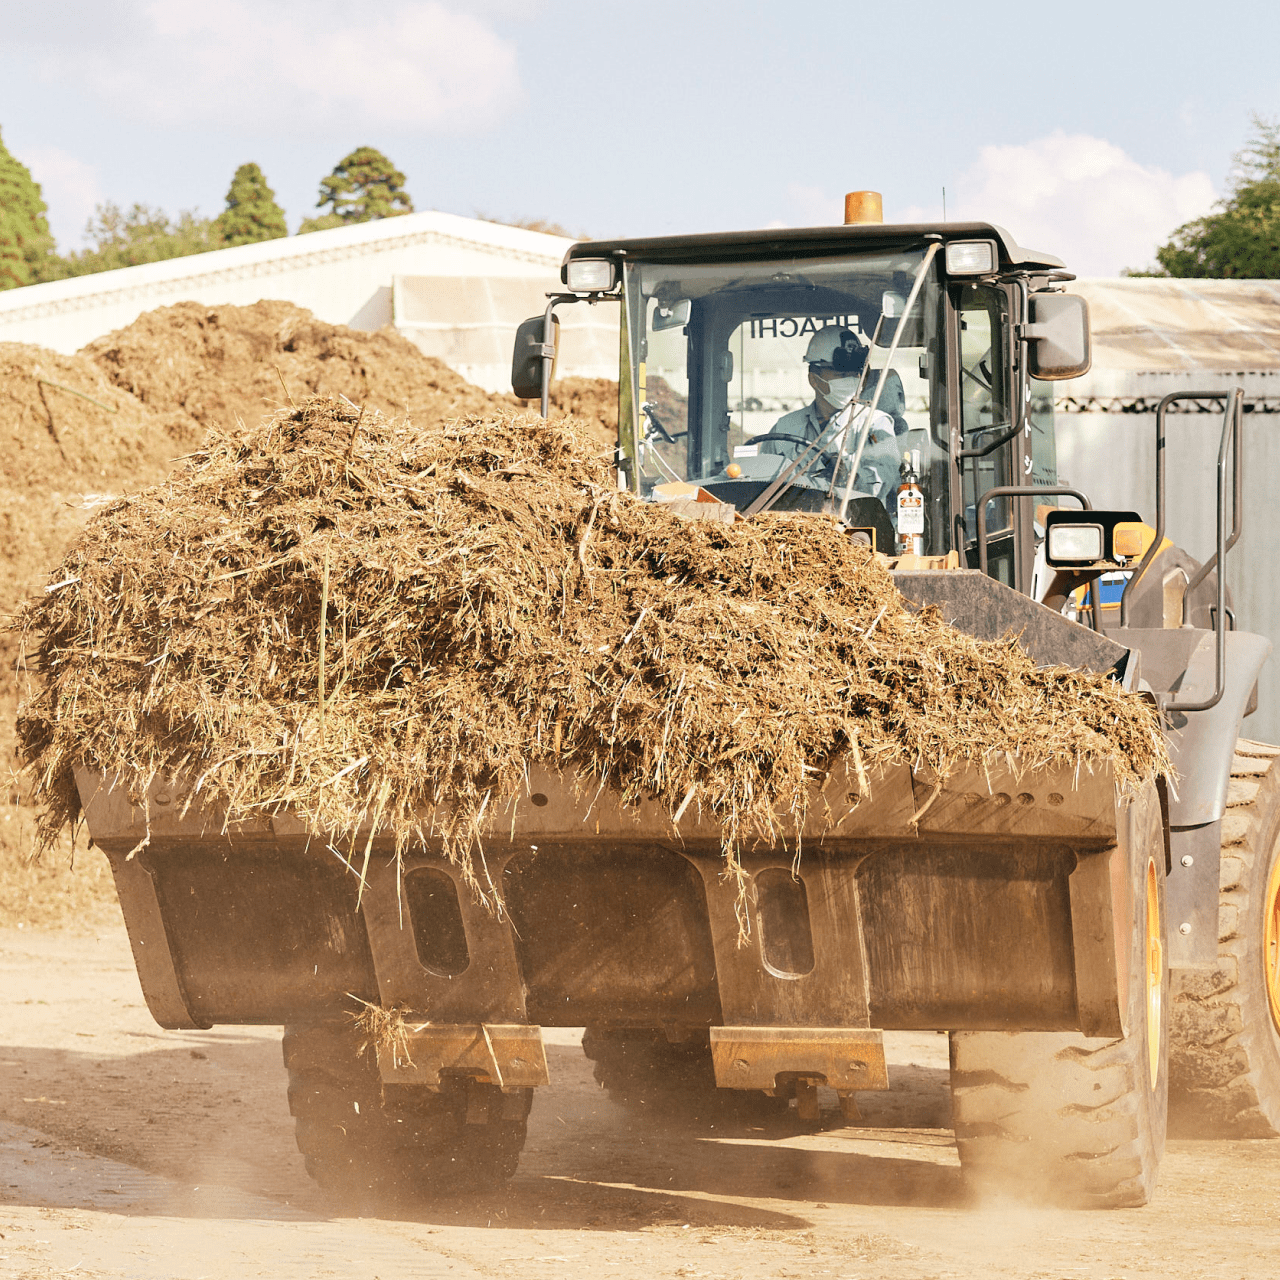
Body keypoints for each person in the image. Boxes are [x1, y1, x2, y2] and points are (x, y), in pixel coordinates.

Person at [760, 325, 900, 503]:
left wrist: (849, 476)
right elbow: (761, 484)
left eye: (855, 373)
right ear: (813, 378)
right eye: (840, 373)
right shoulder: (784, 427)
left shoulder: (876, 424)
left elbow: (881, 483)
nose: (850, 380)